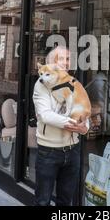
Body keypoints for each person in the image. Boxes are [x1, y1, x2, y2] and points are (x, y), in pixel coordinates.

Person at [32, 46, 89, 206]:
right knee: (43, 200)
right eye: (60, 59)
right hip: (49, 152)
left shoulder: (73, 83)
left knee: (65, 200)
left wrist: (85, 127)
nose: (65, 62)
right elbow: (45, 114)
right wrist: (73, 125)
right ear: (49, 63)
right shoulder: (41, 84)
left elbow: (83, 108)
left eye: (67, 59)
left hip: (72, 151)